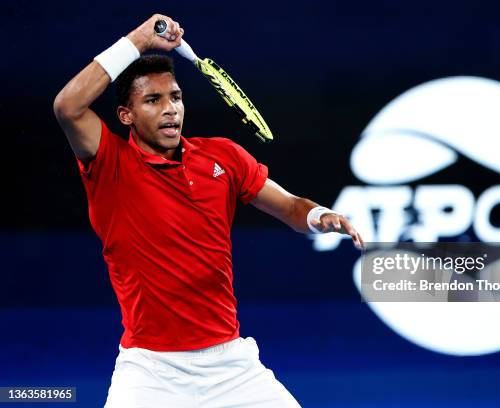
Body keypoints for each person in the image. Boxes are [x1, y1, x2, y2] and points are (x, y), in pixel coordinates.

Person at [53, 13, 363, 408]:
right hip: (150, 372)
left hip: (232, 367)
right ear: (126, 116)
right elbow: (68, 106)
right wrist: (137, 40)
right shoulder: (110, 163)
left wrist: (320, 216)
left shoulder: (223, 157)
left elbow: (288, 206)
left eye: (176, 97)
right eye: (153, 100)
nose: (170, 109)